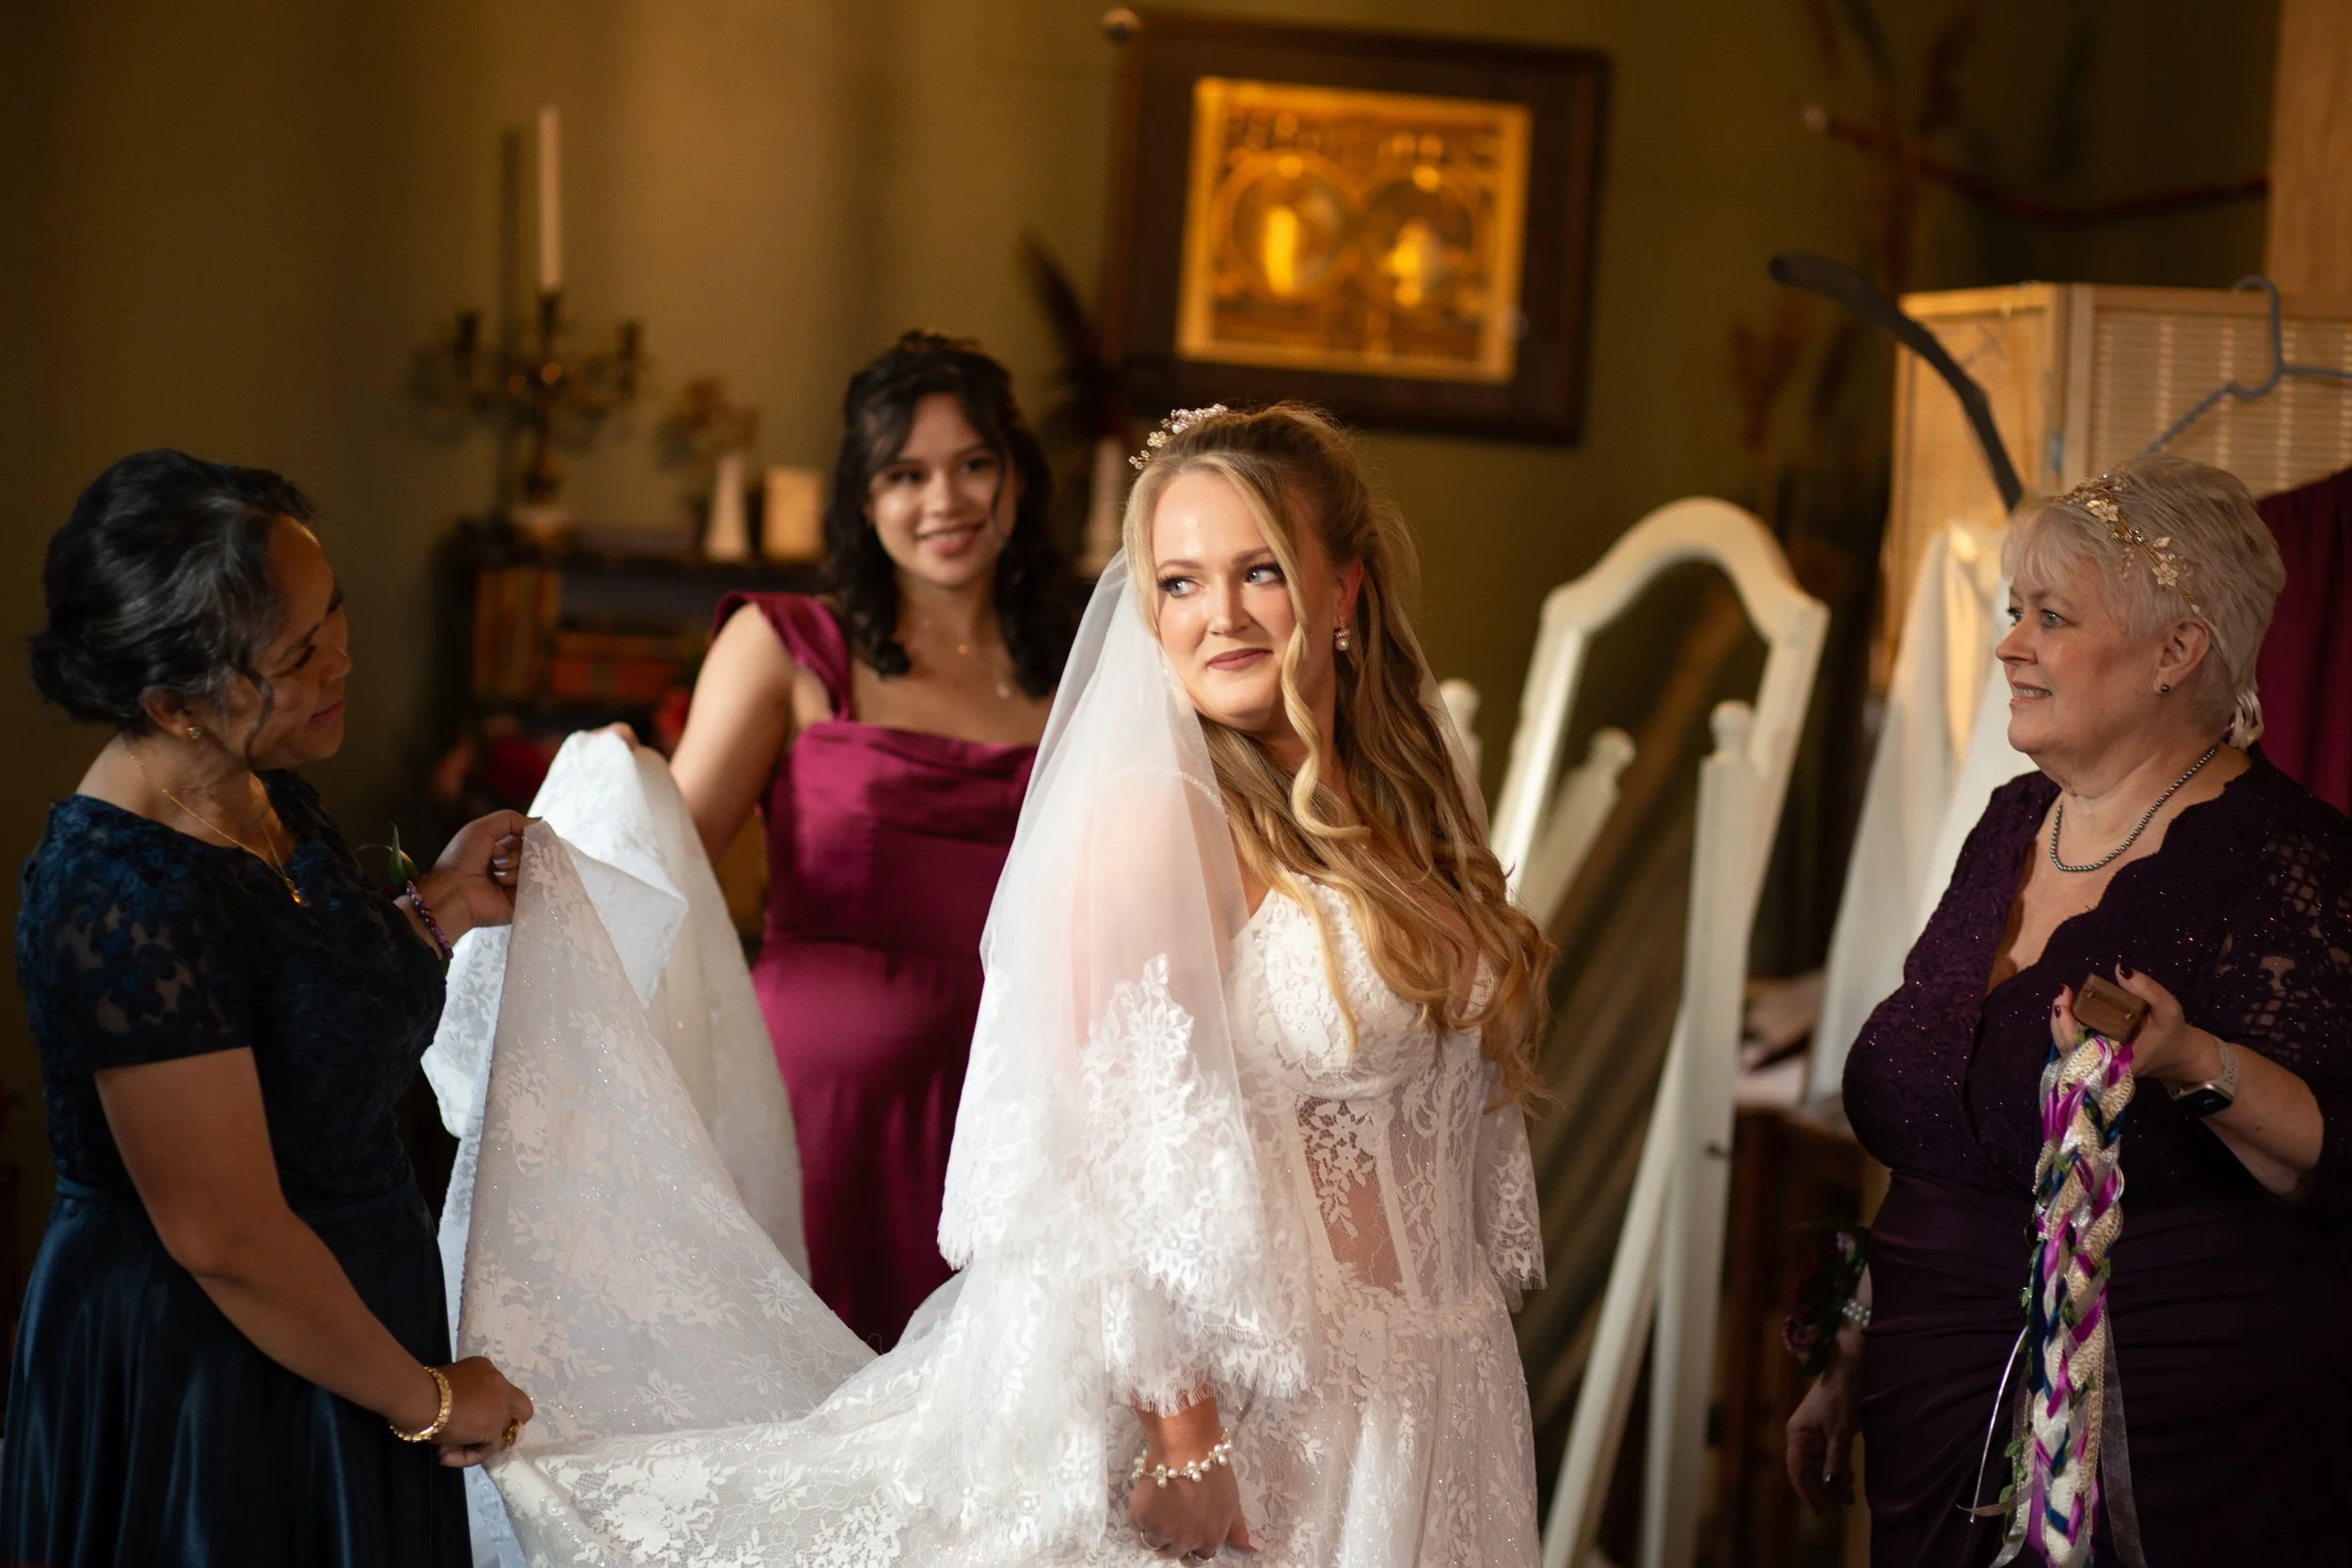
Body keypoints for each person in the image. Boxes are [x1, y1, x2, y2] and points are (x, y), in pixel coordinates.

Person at [438, 402, 1553, 1567]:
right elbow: (1108, 1146)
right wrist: (1185, 1435)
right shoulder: (1156, 817)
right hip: (1262, 1409)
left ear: (1344, 592)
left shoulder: (1414, 797)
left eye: (1260, 570)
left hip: (1441, 1374)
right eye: (1177, 583)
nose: (1219, 615)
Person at [1789, 453, 2352, 1564]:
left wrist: (2193, 1057)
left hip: (2162, 1447)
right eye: (2013, 611)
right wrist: (1858, 1338)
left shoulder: (2291, 860)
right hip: (1930, 1417)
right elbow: (1936, 1136)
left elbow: (2328, 1153)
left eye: (2049, 616)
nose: (2009, 644)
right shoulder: (2011, 821)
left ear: (2175, 651)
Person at [2, 451, 538, 1566]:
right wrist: (430, 1398)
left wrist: (438, 902)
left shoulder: (255, 785)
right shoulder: (119, 892)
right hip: (214, 1371)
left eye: (331, 610)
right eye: (296, 654)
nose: (341, 655)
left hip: (337, 1323)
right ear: (173, 702)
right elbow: (227, 1235)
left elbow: (288, 1010)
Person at [668, 329, 1077, 1350]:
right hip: (817, 1114)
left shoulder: (1081, 665)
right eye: (906, 474)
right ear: (863, 497)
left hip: (1017, 1112)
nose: (945, 500)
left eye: (973, 463)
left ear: (1016, 477)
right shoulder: (783, 644)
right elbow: (657, 860)